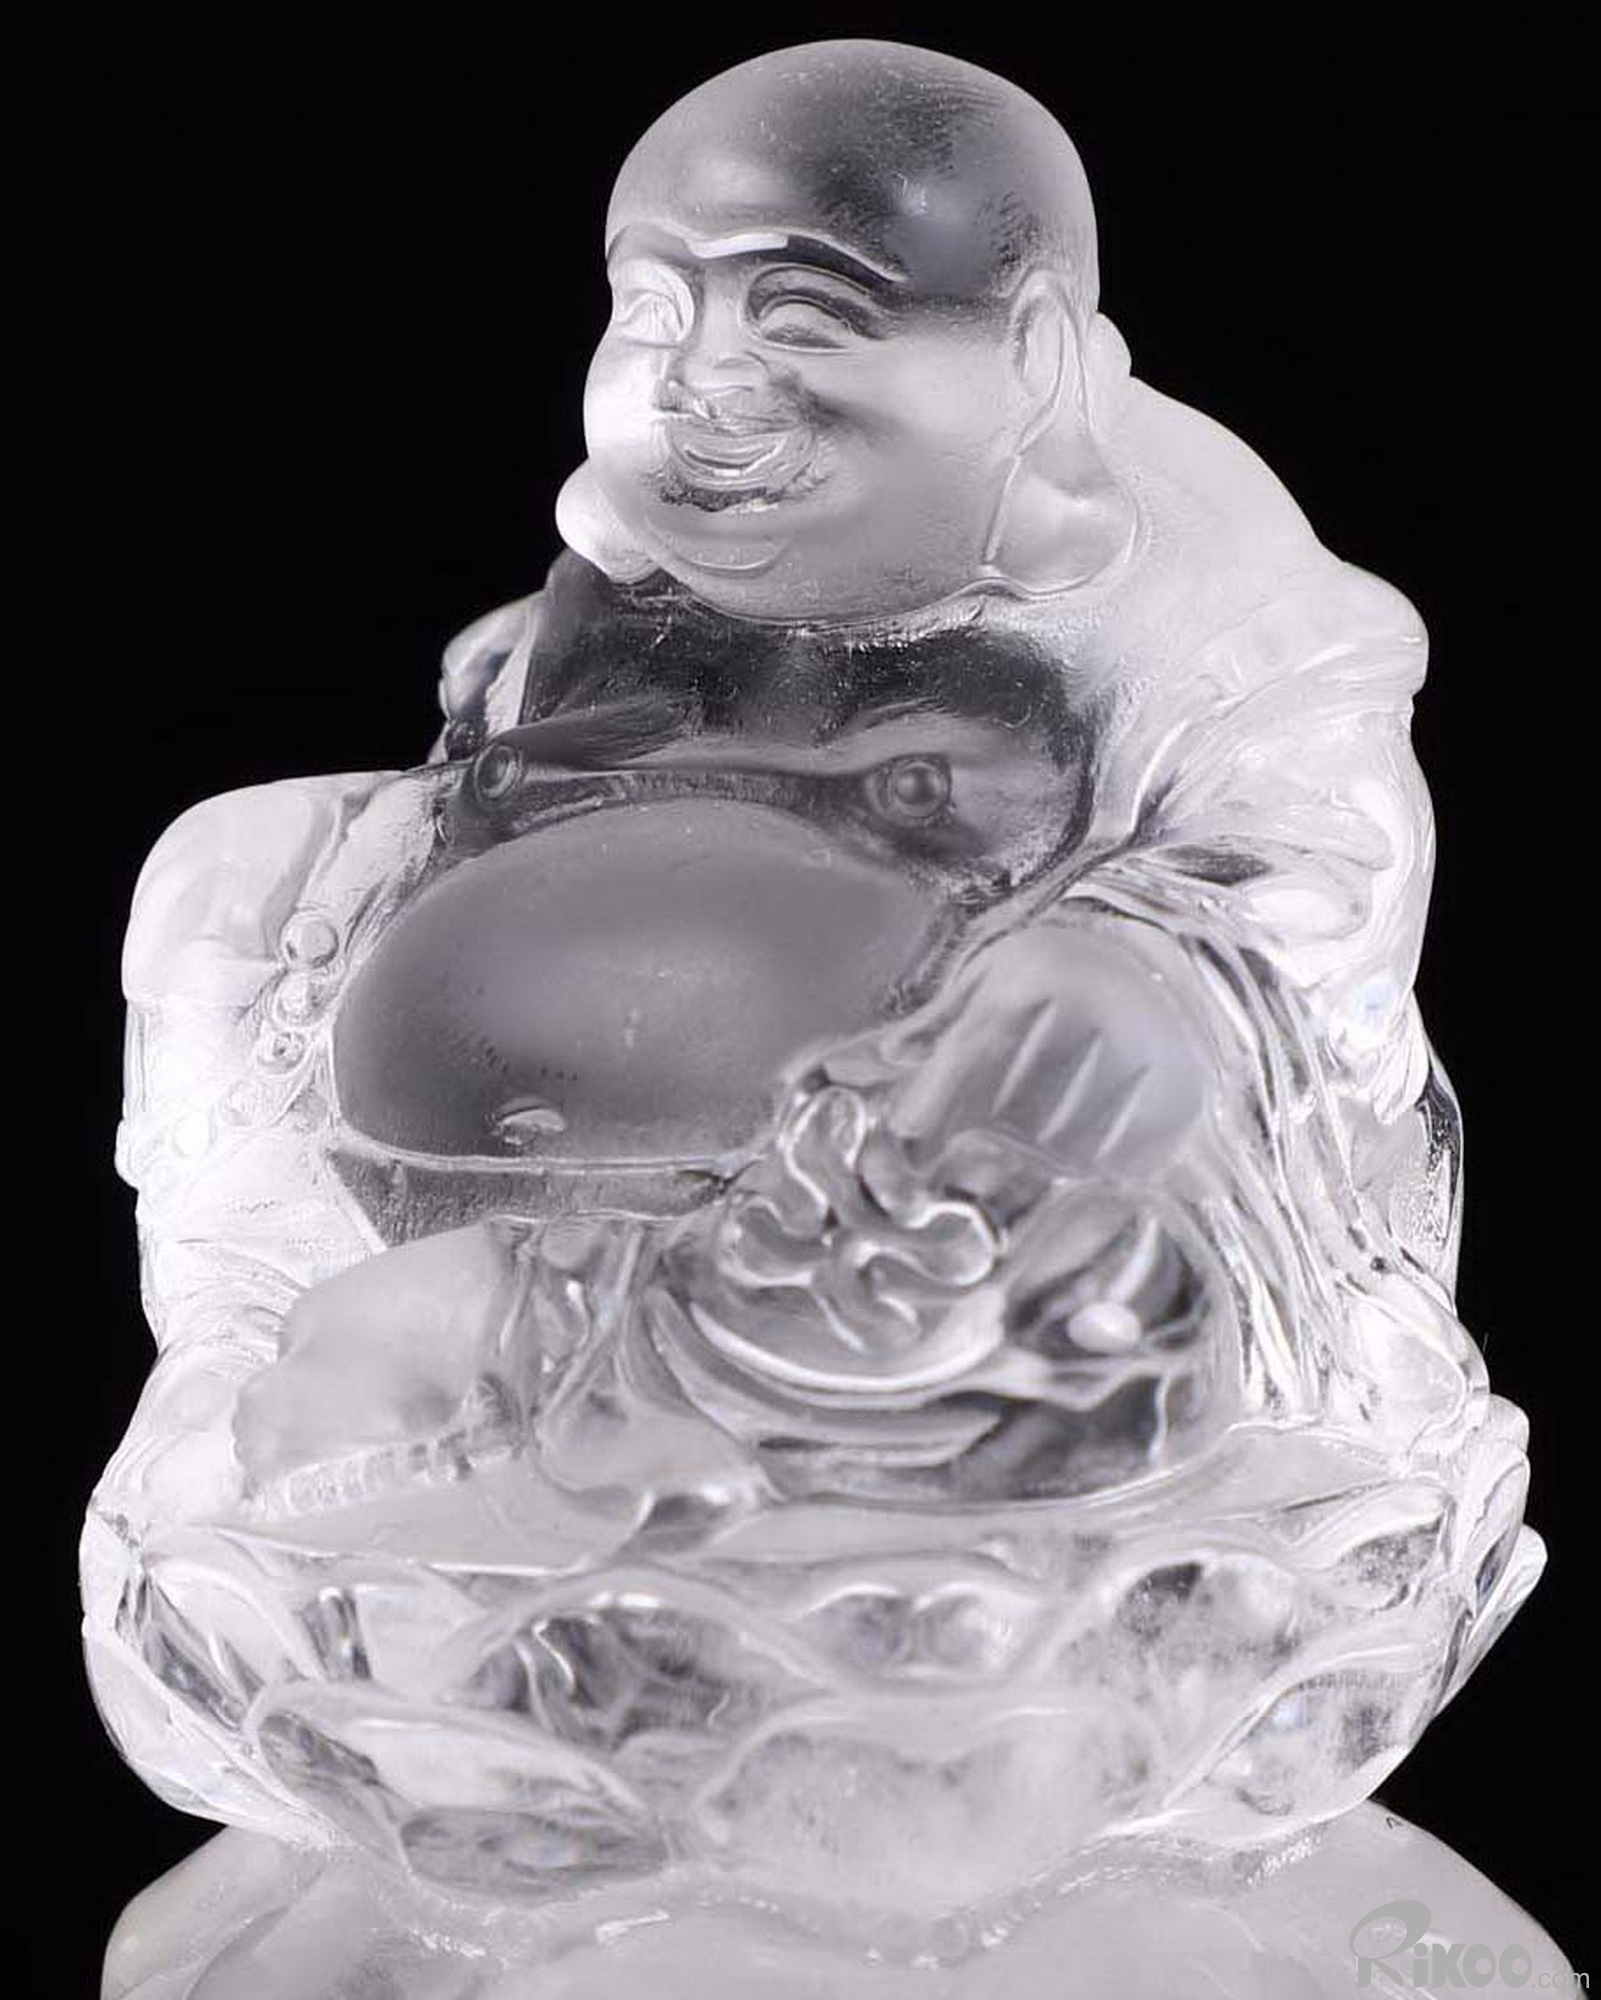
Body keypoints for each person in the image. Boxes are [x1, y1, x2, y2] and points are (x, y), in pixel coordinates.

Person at [86, 41, 1536, 1922]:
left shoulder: (1201, 585)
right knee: (228, 863)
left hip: (891, 1218)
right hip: (436, 1193)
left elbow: (1311, 873)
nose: (704, 386)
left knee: (1048, 1235)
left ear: (1028, 358)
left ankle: (700, 1526)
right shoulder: (625, 560)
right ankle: (251, 1347)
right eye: (650, 310)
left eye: (802, 320)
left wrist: (1137, 967)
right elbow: (500, 783)